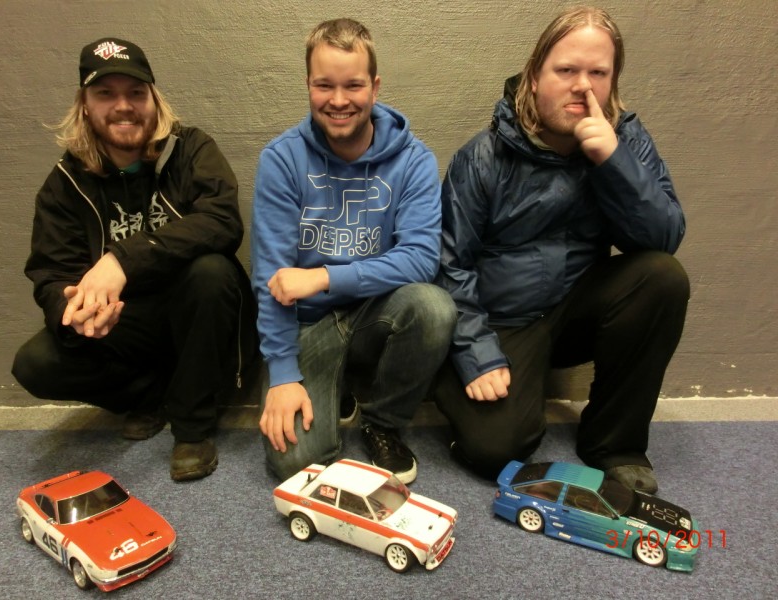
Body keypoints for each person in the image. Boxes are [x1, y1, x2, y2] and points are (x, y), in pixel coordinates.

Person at [433, 7, 689, 493]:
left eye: (598, 73)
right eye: (566, 70)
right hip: (503, 320)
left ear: (613, 82)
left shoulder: (626, 140)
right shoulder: (483, 155)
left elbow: (663, 239)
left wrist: (612, 160)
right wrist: (476, 353)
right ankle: (459, 385)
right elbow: (449, 265)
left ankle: (614, 444)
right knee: (495, 451)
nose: (582, 86)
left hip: (577, 309)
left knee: (662, 277)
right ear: (534, 77)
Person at [12, 37, 257, 481]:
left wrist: (121, 260)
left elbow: (222, 222)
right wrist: (72, 312)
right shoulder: (64, 183)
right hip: (127, 325)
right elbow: (50, 273)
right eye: (106, 93)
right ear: (85, 105)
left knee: (212, 271)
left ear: (153, 99)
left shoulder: (190, 148)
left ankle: (193, 428)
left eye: (135, 93)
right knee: (35, 363)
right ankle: (149, 397)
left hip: (196, 315)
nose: (123, 106)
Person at [251, 18, 456, 484]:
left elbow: (422, 258)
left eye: (353, 85)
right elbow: (271, 279)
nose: (339, 100)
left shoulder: (414, 160)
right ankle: (330, 386)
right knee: (297, 465)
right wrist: (282, 375)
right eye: (324, 85)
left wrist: (324, 277)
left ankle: (382, 422)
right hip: (306, 326)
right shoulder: (281, 160)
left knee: (433, 307)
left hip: (373, 313)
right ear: (308, 84)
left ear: (375, 87)